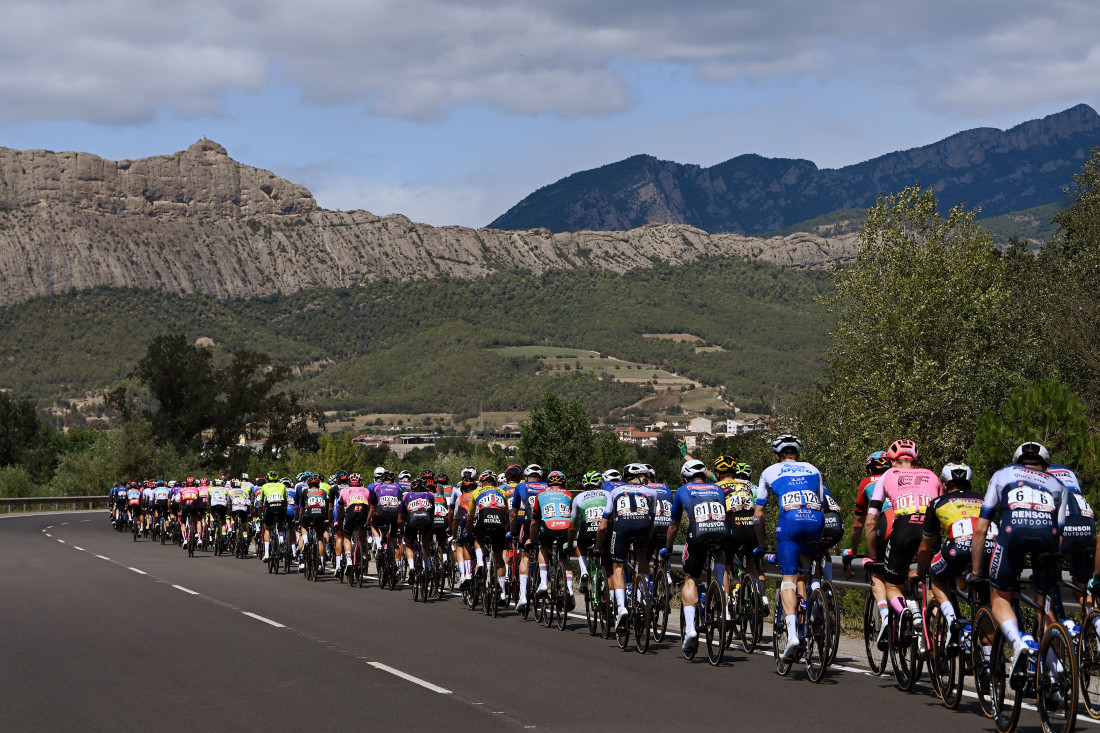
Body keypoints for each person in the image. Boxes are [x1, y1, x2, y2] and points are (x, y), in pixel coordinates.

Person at [970, 442, 1069, 681]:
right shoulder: (1058, 484)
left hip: (1012, 533)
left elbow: (981, 528)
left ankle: (1017, 643)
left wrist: (976, 572)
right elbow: (1061, 536)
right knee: (1044, 604)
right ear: (1046, 466)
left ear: (1017, 461)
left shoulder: (1003, 474)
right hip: (1048, 538)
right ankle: (1055, 675)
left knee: (1000, 596)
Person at [864, 439, 943, 650]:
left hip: (904, 528)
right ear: (916, 460)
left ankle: (904, 611)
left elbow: (872, 519)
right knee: (933, 588)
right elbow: (944, 511)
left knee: (892, 585)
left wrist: (874, 557)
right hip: (930, 529)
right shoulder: (932, 476)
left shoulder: (887, 476)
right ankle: (939, 642)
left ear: (891, 461)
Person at [754, 434, 825, 660]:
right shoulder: (814, 469)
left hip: (790, 525)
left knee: (789, 578)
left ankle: (793, 634)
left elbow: (758, 514)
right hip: (815, 523)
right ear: (798, 454)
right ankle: (813, 606)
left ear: (777, 455)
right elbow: (821, 505)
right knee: (805, 572)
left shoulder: (769, 471)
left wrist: (763, 544)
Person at [916, 462, 993, 647]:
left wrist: (919, 571)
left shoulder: (937, 503)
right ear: (970, 483)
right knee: (984, 603)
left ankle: (952, 622)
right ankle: (989, 662)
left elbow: (926, 547)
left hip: (959, 548)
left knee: (936, 576)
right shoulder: (984, 499)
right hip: (990, 548)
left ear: (944, 485)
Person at [667, 459, 727, 654]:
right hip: (721, 531)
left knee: (691, 579)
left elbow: (674, 526)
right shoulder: (717, 488)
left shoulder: (683, 490)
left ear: (685, 478)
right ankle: (722, 598)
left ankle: (691, 630)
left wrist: (668, 547)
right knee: (720, 557)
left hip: (698, 534)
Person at [599, 463, 656, 630]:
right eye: (644, 476)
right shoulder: (651, 492)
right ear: (636, 477)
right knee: (642, 556)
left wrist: (599, 542)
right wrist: (647, 539)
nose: (646, 478)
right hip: (644, 526)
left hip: (622, 527)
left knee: (618, 566)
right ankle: (641, 598)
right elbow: (651, 519)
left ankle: (622, 607)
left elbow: (604, 523)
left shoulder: (615, 492)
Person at [845, 451, 891, 637]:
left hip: (885, 526)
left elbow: (858, 524)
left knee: (876, 570)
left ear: (870, 467)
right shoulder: (899, 477)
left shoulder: (866, 483)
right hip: (912, 524)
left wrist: (853, 550)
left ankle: (886, 616)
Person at [528, 470, 576, 607]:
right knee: (563, 558)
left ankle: (543, 583)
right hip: (565, 527)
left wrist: (531, 539)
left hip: (548, 526)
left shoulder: (541, 494)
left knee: (543, 548)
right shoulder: (568, 494)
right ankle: (571, 590)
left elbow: (534, 522)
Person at [569, 471, 612, 594]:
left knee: (580, 547)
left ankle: (583, 571)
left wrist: (570, 542)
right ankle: (608, 590)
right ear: (600, 483)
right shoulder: (608, 494)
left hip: (587, 530)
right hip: (605, 531)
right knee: (608, 562)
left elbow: (573, 524)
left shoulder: (578, 497)